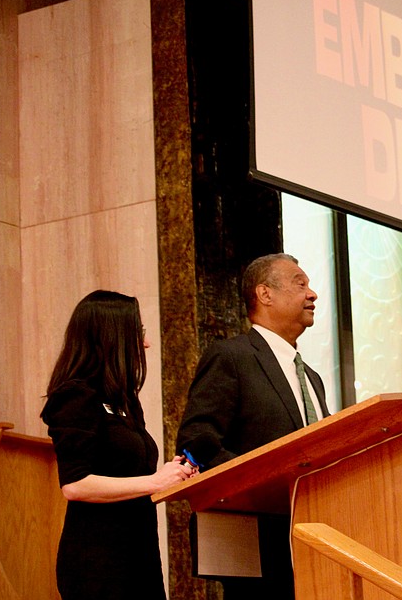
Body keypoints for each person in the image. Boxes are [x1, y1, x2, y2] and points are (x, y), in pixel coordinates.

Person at [176, 253, 330, 599]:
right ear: (265, 294)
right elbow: (196, 440)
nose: (313, 294)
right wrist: (263, 484)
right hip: (253, 542)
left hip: (313, 539)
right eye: (300, 283)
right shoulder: (232, 356)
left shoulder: (313, 379)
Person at [41, 290, 195, 600]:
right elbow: (75, 484)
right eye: (139, 332)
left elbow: (127, 472)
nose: (146, 343)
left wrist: (170, 473)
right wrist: (153, 481)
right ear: (113, 336)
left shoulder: (123, 401)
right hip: (98, 565)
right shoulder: (75, 396)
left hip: (138, 555)